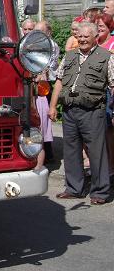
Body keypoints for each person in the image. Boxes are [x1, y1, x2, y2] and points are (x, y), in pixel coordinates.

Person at [48, 22, 112, 205]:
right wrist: (53, 107)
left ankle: (100, 192)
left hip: (92, 112)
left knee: (97, 152)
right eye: (80, 36)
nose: (82, 39)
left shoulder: (106, 57)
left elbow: (113, 85)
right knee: (71, 150)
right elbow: (59, 83)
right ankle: (74, 189)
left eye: (86, 36)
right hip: (69, 111)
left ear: (95, 37)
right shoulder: (69, 56)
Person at [34, 20, 59, 165]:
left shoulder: (51, 45)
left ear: (48, 32)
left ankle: (48, 153)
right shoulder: (36, 43)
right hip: (38, 82)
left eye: (40, 31)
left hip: (46, 83)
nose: (37, 34)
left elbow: (46, 64)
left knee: (45, 118)